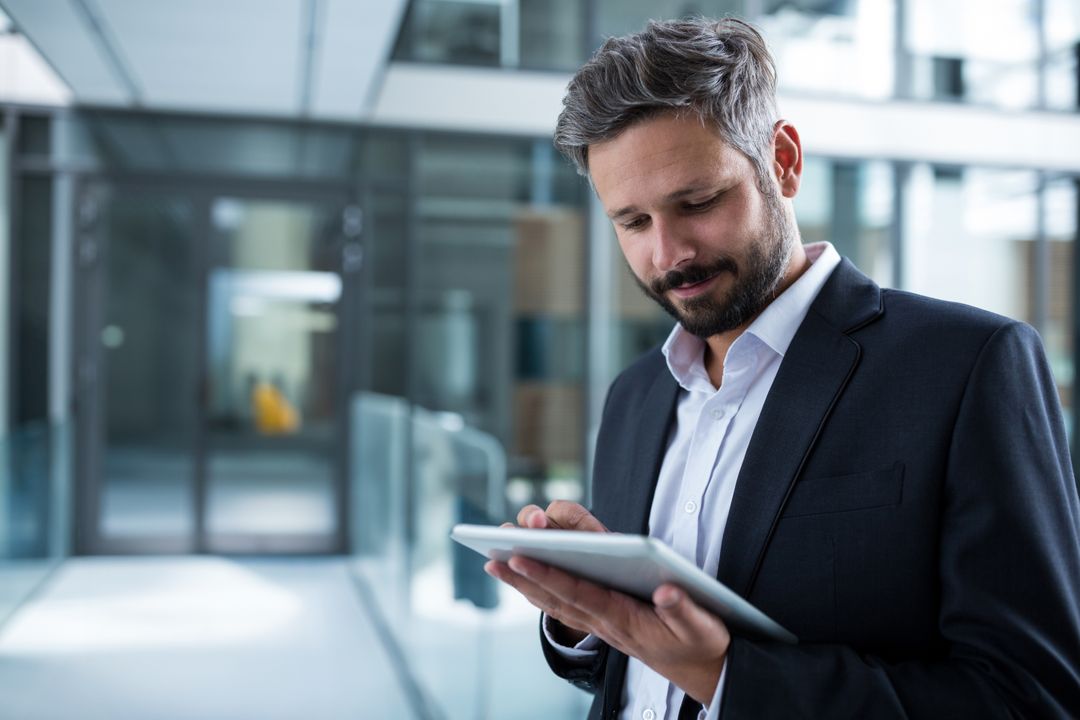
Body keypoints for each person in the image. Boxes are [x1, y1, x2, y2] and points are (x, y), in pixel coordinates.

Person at [483, 16, 1080, 720]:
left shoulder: (967, 367)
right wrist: (587, 619)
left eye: (697, 202)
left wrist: (727, 674)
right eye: (633, 222)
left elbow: (1030, 698)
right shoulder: (635, 395)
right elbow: (639, 676)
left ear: (785, 160)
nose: (668, 253)